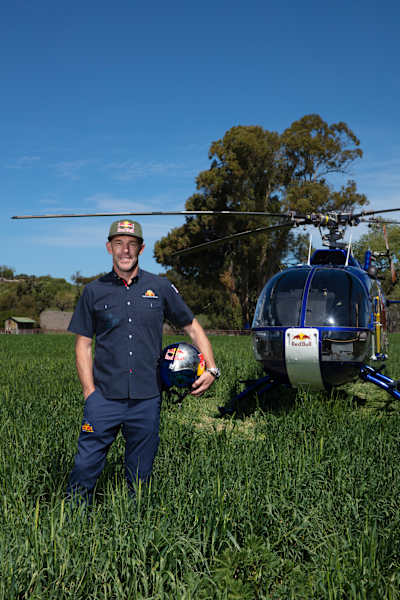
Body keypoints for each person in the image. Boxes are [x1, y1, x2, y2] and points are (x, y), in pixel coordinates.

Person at [67, 219, 220, 503]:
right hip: (104, 399)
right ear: (108, 247)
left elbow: (192, 328)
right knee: (84, 468)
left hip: (147, 399)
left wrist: (211, 367)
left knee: (140, 477)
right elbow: (83, 345)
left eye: (132, 244)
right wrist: (90, 394)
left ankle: (133, 531)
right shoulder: (93, 291)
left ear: (141, 248)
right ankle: (71, 526)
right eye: (118, 244)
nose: (125, 250)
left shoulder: (160, 287)